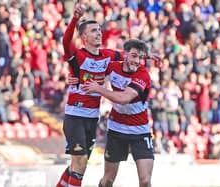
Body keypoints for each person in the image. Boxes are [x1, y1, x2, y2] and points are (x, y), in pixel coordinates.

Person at [56, 3, 123, 187]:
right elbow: (65, 40)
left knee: (77, 167)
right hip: (75, 116)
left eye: (100, 30)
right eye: (94, 31)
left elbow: (128, 56)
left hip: (92, 118)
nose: (99, 33)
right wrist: (75, 18)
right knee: (80, 163)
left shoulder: (108, 55)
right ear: (84, 36)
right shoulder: (77, 56)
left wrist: (147, 56)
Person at [82, 39, 154, 187]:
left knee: (145, 181)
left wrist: (99, 89)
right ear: (125, 54)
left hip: (140, 131)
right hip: (117, 129)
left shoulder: (143, 75)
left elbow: (123, 98)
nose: (137, 61)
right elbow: (90, 68)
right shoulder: (113, 67)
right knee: (108, 180)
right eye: (134, 56)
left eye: (141, 58)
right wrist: (76, 78)